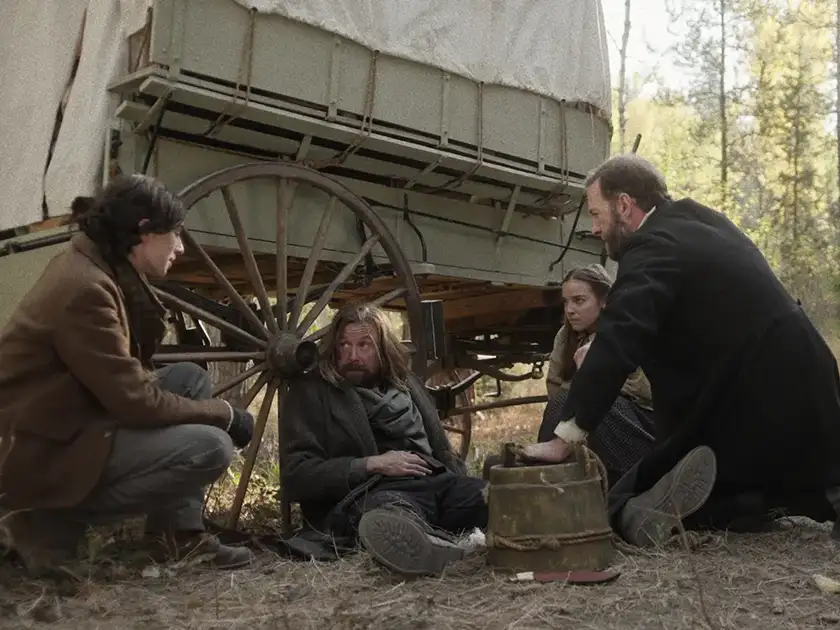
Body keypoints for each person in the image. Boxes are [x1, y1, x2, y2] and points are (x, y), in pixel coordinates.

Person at [522, 153, 840, 546]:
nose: (595, 228)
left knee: (629, 495)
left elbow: (621, 333)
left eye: (597, 213)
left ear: (624, 205)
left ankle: (638, 511)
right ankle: (693, 508)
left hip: (761, 404)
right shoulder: (698, 220)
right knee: (767, 495)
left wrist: (563, 439)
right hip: (805, 395)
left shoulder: (653, 246)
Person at [0, 174, 257, 573]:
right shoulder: (86, 290)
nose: (181, 246)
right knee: (211, 447)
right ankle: (45, 522)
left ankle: (176, 535)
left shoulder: (95, 265)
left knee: (188, 378)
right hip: (41, 449)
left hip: (64, 419)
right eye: (175, 234)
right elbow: (136, 404)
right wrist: (223, 413)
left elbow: (126, 381)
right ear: (144, 232)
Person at [280, 303, 488, 578]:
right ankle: (430, 547)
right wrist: (371, 464)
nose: (352, 355)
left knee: (496, 497)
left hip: (436, 485)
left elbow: (441, 448)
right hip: (372, 493)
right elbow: (296, 475)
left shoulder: (404, 383)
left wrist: (461, 480)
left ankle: (443, 540)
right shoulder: (313, 392)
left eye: (364, 345)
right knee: (389, 515)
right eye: (344, 345)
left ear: (383, 349)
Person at [539, 264, 655, 488]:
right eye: (566, 302)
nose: (570, 310)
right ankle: (549, 482)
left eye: (579, 301)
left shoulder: (627, 330)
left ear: (604, 302)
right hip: (582, 428)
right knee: (560, 402)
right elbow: (554, 387)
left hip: (639, 428)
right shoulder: (565, 337)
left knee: (599, 405)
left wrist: (596, 375)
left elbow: (646, 392)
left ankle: (626, 490)